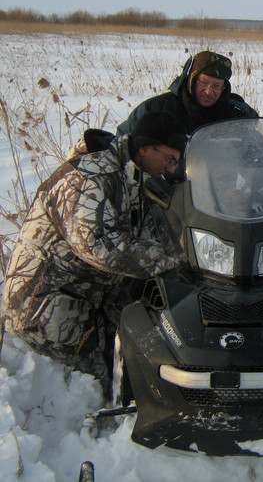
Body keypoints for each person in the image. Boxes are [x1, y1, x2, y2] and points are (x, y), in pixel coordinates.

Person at [1, 111, 189, 393]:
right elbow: (100, 246)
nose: (172, 169)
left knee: (141, 358)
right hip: (46, 308)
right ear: (146, 147)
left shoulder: (132, 173)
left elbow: (149, 231)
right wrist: (173, 262)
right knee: (93, 388)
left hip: (91, 297)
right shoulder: (90, 176)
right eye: (170, 159)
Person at [117, 50, 258, 137]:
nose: (209, 92)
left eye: (217, 86)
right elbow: (123, 144)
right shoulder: (155, 110)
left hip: (220, 185)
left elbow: (259, 157)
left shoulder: (234, 118)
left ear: (224, 88)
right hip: (166, 185)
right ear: (191, 80)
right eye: (203, 83)